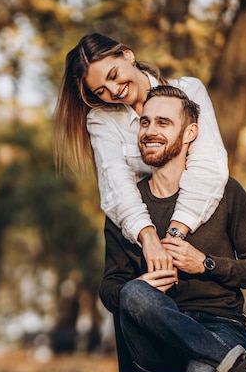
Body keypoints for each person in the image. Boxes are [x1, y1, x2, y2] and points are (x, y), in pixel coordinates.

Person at [99, 85, 246, 372]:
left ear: (190, 132)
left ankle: (226, 363)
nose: (150, 131)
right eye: (145, 123)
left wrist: (206, 264)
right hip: (153, 342)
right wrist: (138, 289)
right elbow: (109, 288)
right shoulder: (126, 207)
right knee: (133, 295)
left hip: (220, 325)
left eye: (163, 123)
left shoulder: (226, 193)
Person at [53, 33, 228, 276]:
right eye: (101, 90)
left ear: (128, 55)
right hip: (141, 246)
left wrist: (174, 236)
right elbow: (116, 184)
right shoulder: (102, 120)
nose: (114, 91)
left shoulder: (189, 91)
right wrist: (148, 238)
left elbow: (208, 166)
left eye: (113, 75)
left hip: (198, 230)